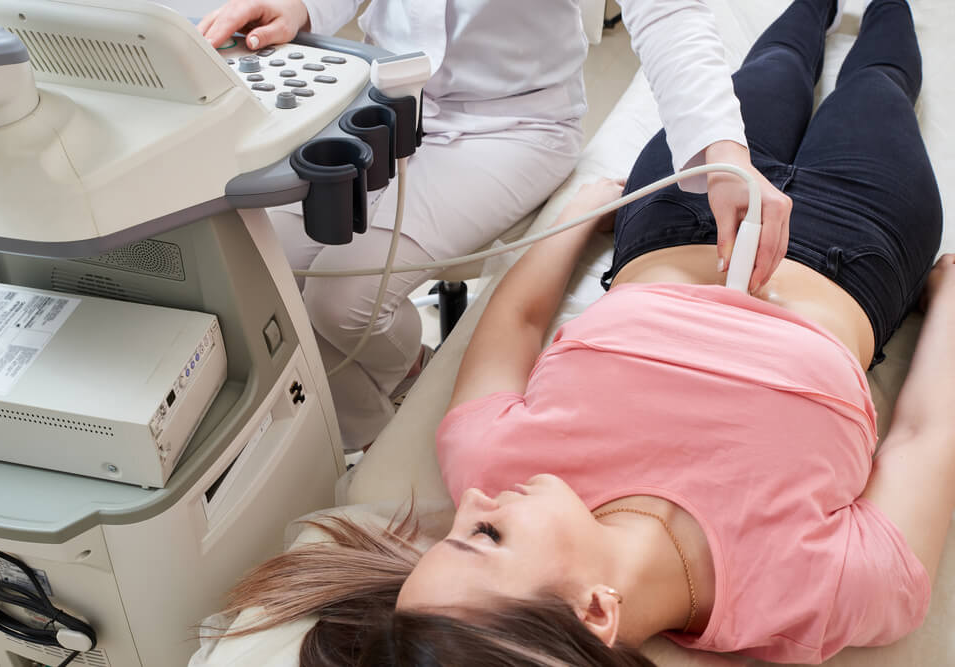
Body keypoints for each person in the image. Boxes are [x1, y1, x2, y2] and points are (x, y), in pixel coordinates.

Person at [209, 1, 948, 664]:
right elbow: (923, 434)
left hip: (674, 220)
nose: (469, 503)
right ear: (597, 610)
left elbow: (520, 319)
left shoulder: (494, 464)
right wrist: (949, 303)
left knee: (776, 64)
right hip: (859, 245)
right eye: (486, 536)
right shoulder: (824, 590)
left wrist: (581, 216)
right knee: (877, 83)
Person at [197, 0, 793, 451]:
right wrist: (302, 7)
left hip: (514, 123)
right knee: (263, 263)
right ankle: (372, 404)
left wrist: (724, 153)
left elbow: (666, 17)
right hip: (380, 94)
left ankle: (386, 414)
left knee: (340, 300)